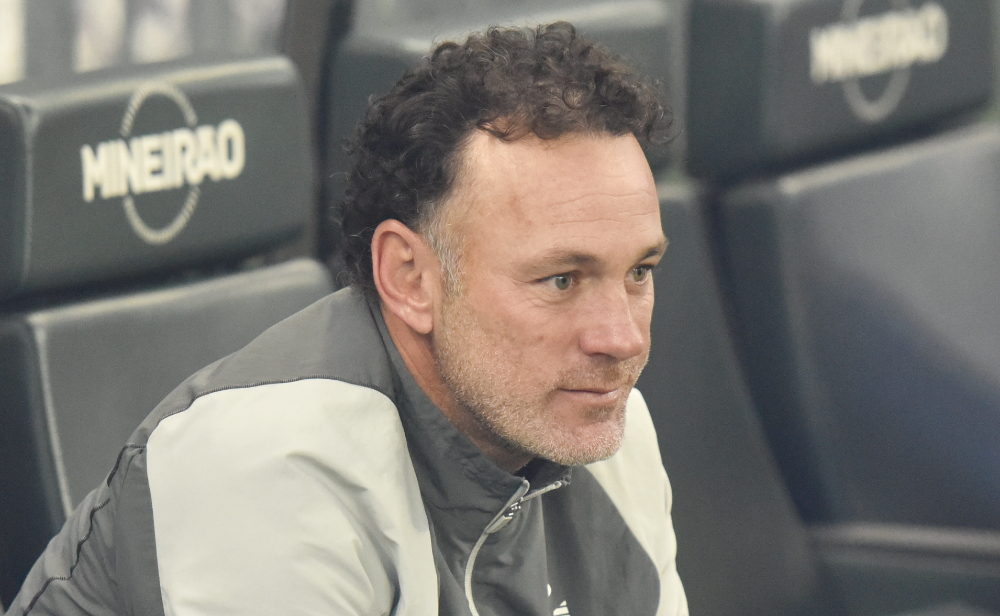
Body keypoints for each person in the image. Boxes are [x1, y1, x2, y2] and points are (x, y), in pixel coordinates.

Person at [8, 22, 687, 616]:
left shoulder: (602, 426)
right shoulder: (269, 466)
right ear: (409, 278)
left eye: (639, 273)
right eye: (560, 280)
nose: (621, 340)